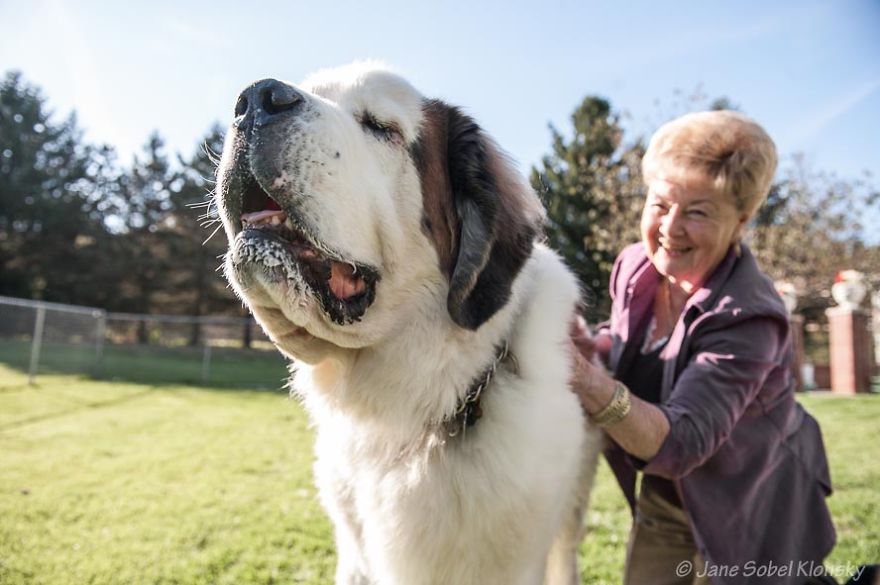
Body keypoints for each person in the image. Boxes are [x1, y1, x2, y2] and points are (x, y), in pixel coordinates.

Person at [569, 110, 835, 585]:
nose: (670, 227)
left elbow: (681, 440)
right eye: (660, 204)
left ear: (741, 221)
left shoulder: (748, 315)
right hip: (666, 496)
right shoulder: (636, 266)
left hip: (751, 500)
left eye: (697, 211)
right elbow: (629, 340)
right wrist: (591, 345)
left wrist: (586, 380)